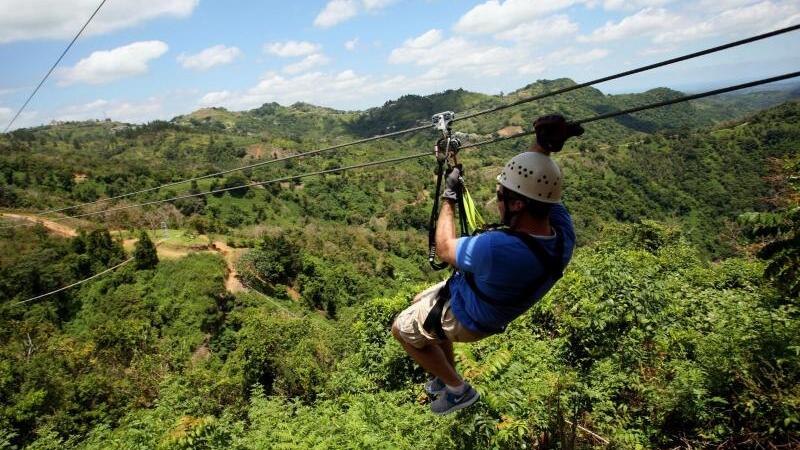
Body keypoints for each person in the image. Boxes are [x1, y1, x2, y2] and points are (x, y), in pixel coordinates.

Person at [391, 114, 584, 415]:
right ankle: (445, 376)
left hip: (469, 315)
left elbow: (444, 249)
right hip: (485, 300)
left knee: (401, 329)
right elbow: (539, 184)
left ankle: (458, 389)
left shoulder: (498, 249)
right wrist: (543, 147)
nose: (497, 203)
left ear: (518, 205)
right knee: (420, 300)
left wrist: (449, 197)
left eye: (500, 197)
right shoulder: (562, 236)